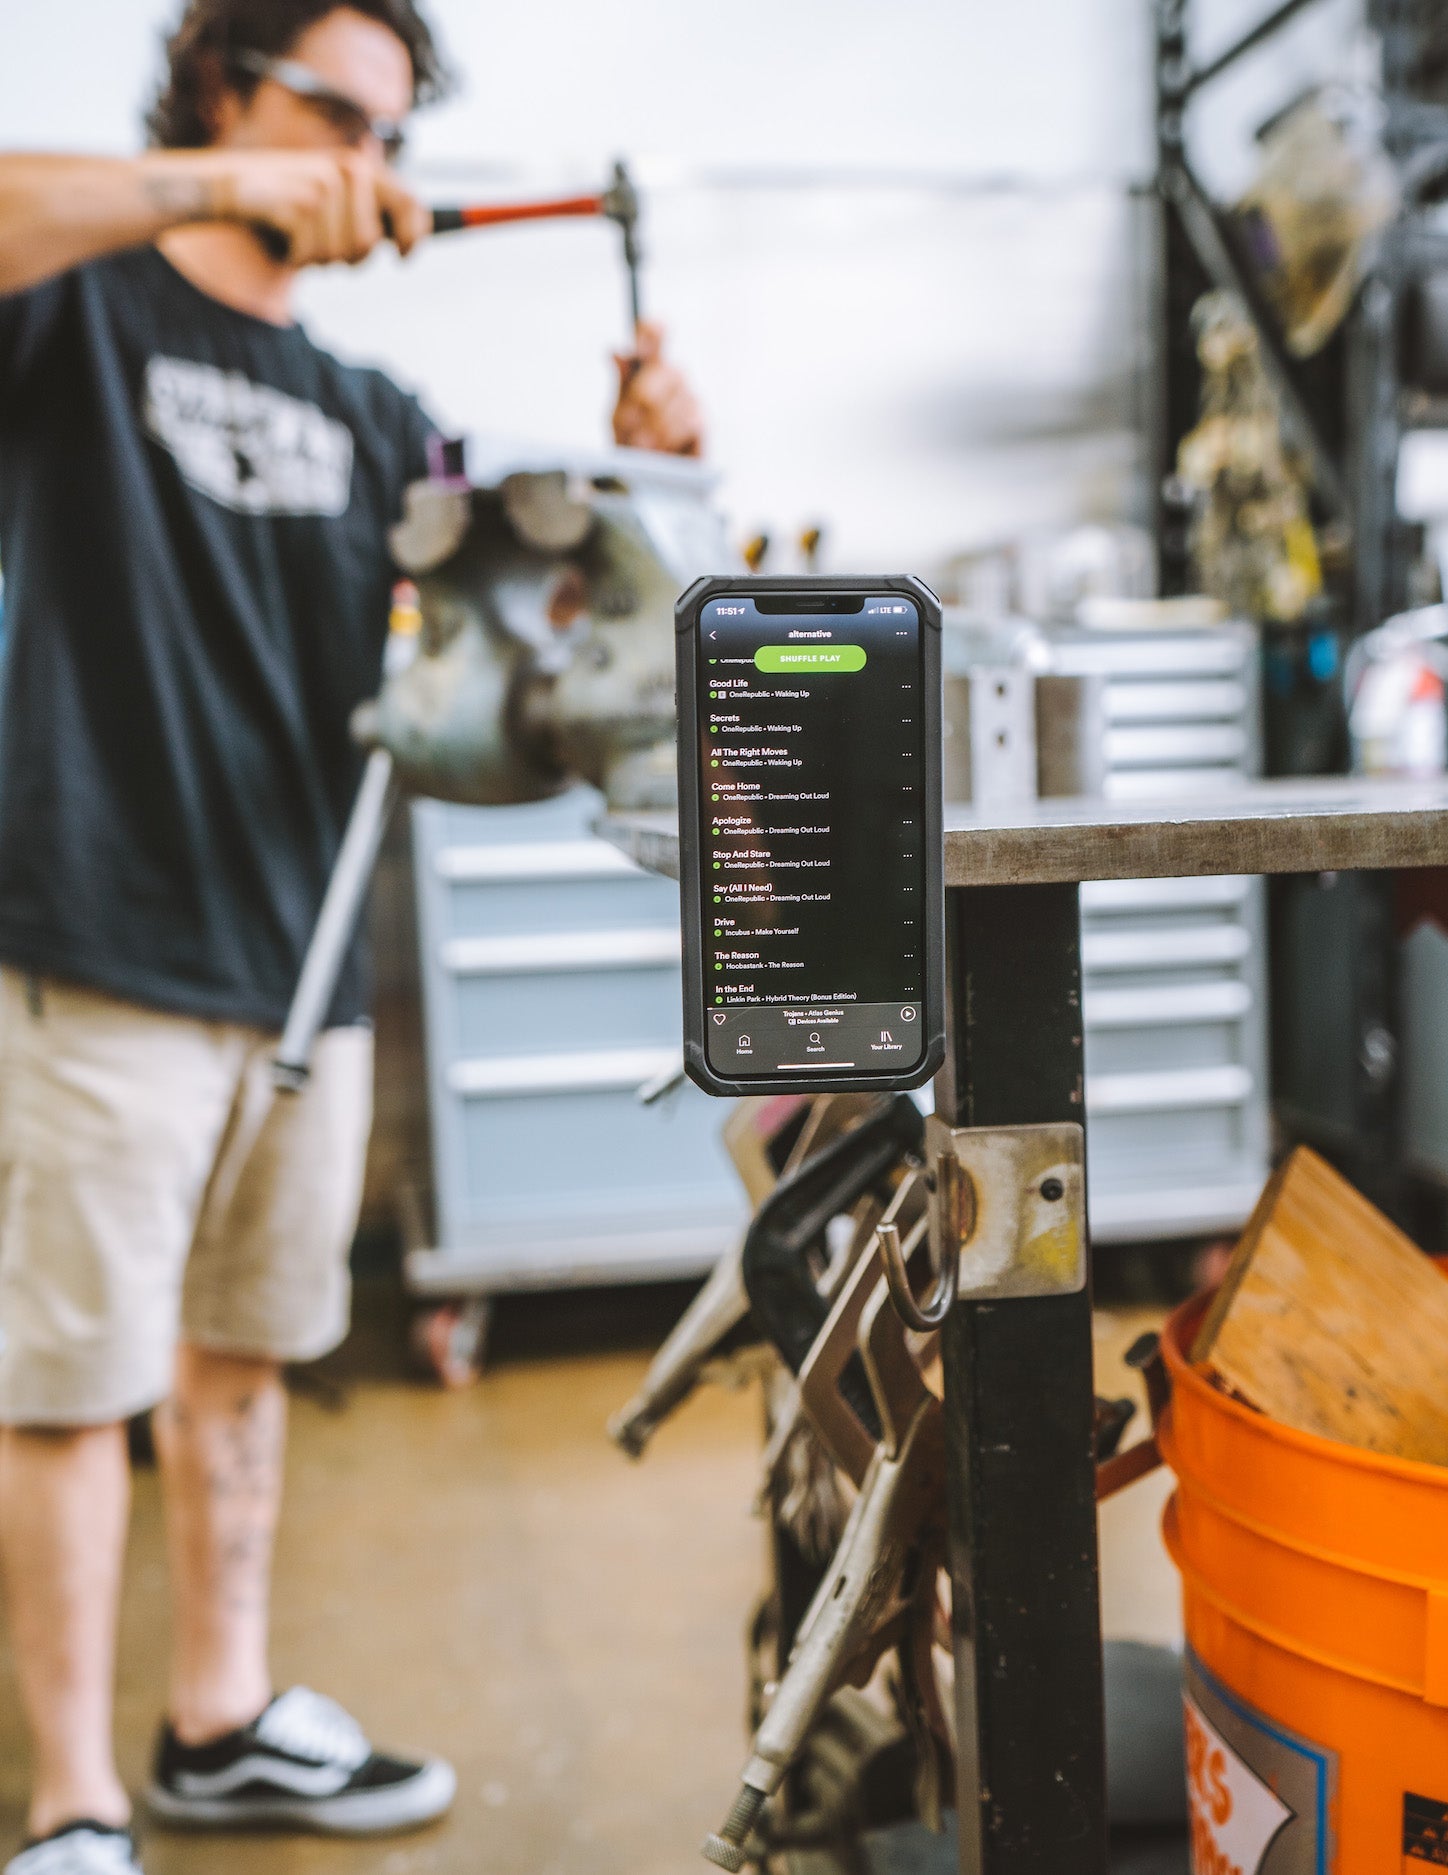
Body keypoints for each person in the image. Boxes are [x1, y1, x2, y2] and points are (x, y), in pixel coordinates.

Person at [0, 5, 704, 1871]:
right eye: (336, 115)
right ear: (223, 86)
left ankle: (215, 1723)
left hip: (301, 968)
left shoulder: (377, 416)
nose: (364, 162)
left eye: (389, 134)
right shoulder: (72, 311)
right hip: (98, 951)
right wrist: (226, 188)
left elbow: (537, 654)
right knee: (68, 1386)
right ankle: (68, 1805)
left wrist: (645, 481)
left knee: (245, 1356)